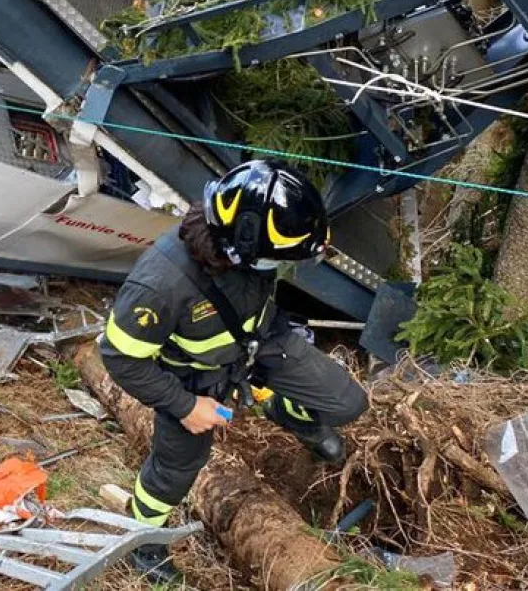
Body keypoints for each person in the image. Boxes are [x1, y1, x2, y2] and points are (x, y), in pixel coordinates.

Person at [100, 160, 368, 581]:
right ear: (240, 246)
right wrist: (185, 406)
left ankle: (285, 412)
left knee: (347, 401)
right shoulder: (159, 285)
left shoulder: (250, 244)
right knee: (174, 472)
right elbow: (119, 357)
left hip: (260, 342)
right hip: (192, 378)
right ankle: (141, 541)